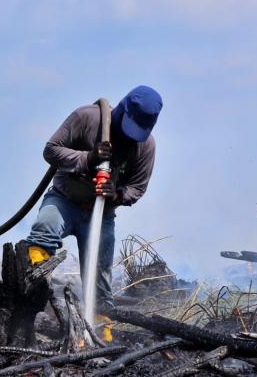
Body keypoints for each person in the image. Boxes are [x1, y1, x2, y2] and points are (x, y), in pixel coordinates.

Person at [26, 85, 163, 312]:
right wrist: (88, 157)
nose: (129, 137)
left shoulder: (146, 146)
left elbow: (137, 187)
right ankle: (30, 296)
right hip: (64, 200)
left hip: (101, 214)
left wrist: (117, 195)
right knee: (45, 227)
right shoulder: (87, 118)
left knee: (100, 277)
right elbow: (50, 150)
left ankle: (103, 333)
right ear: (121, 110)